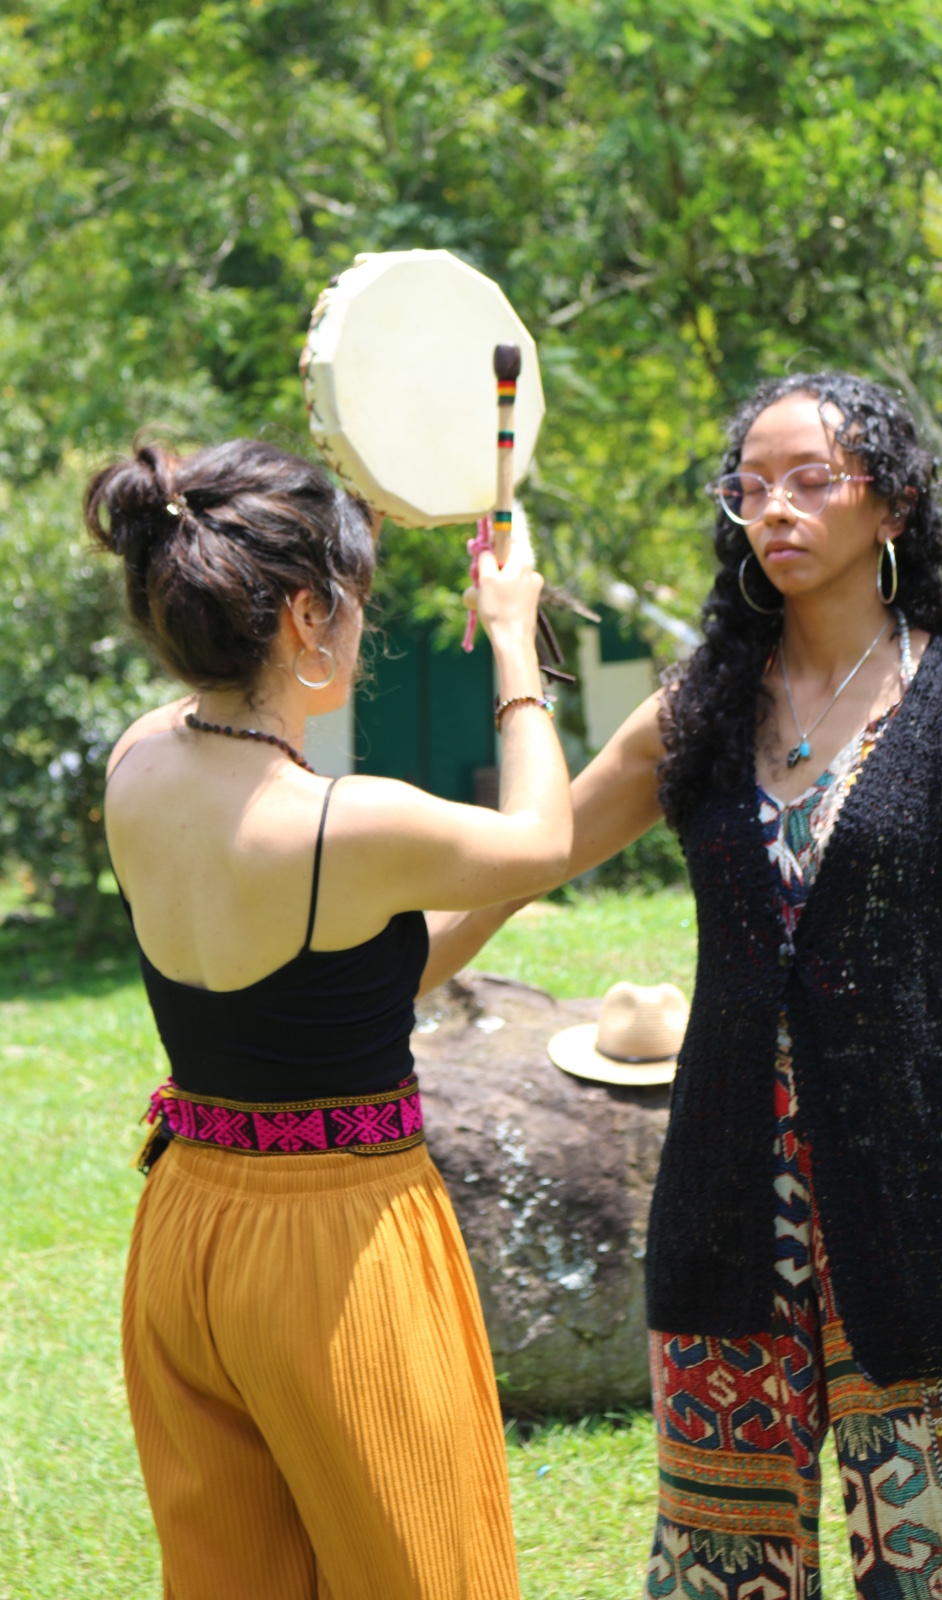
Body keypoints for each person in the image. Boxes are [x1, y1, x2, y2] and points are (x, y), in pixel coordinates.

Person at [425, 373, 942, 1599]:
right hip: (725, 1215)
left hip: (940, 1214)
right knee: (725, 1574)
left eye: (811, 481)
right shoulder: (696, 714)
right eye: (751, 487)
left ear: (895, 505)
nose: (774, 509)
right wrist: (513, 636)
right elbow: (527, 854)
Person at [91, 437, 570, 1600]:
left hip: (189, 1227)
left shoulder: (137, 761)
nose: (363, 628)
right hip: (334, 1246)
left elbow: (325, 995)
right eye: (352, 602)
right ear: (307, 616)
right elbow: (542, 838)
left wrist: (336, 516)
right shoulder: (338, 824)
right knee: (425, 1574)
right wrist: (513, 637)